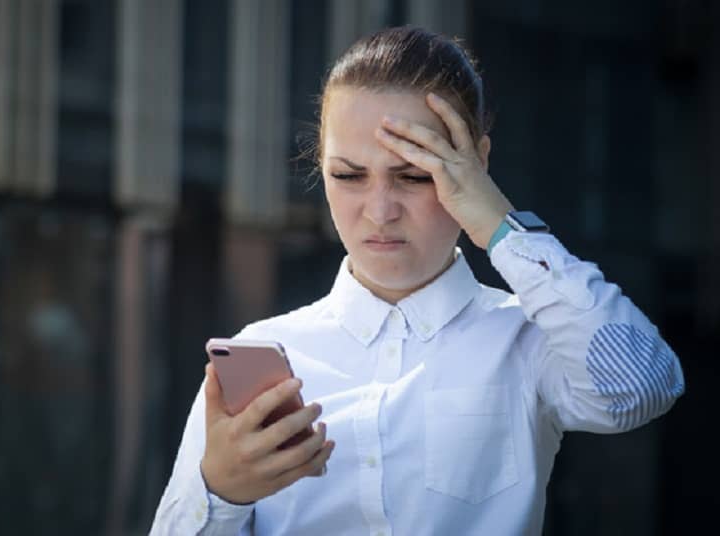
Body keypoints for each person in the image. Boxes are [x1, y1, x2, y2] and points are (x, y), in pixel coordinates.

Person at [149, 26, 685, 535]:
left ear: (474, 167)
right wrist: (219, 492)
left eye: (414, 175)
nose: (379, 211)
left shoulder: (527, 340)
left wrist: (499, 222)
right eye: (348, 175)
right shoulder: (264, 353)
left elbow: (641, 384)